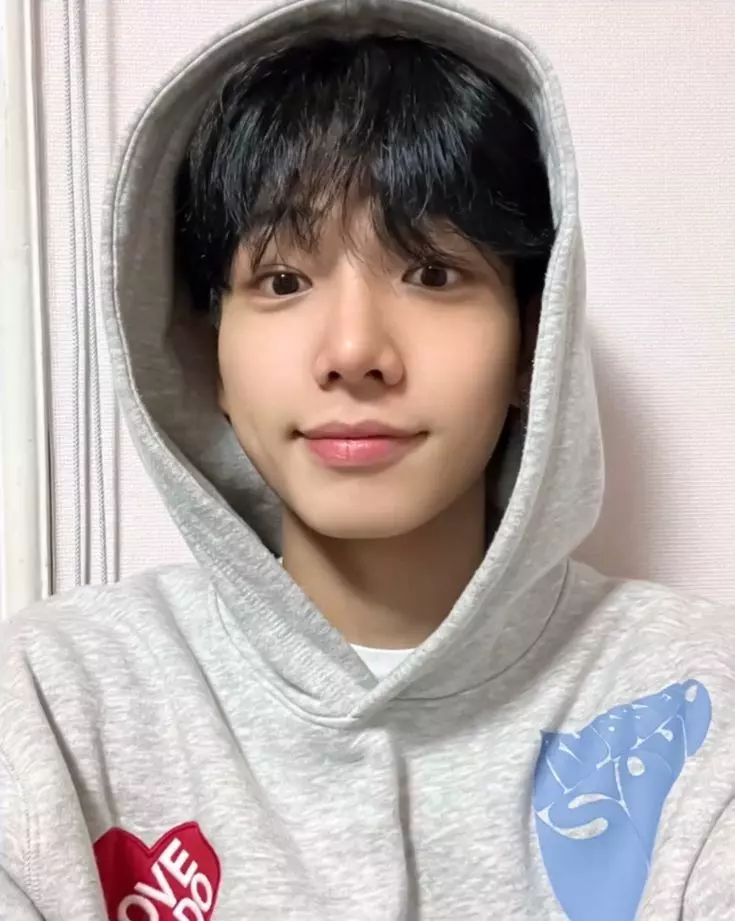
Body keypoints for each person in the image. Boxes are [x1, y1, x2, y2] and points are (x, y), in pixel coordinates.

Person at [1, 0, 733, 918]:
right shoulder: (54, 698)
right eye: (282, 280)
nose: (353, 351)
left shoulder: (694, 698)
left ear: (531, 344)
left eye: (432, 272)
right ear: (207, 353)